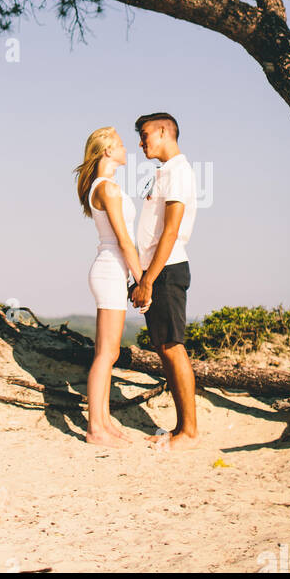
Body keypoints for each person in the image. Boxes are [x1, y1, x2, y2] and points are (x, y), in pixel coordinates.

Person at [129, 112, 199, 449]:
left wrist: (149, 280)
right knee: (163, 347)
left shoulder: (179, 171)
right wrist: (141, 277)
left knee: (173, 346)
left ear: (162, 131)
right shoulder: (164, 173)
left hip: (168, 270)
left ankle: (189, 432)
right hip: (156, 271)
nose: (141, 142)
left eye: (144, 135)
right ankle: (179, 427)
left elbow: (171, 232)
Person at [75, 126, 147, 448]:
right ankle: (95, 429)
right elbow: (124, 241)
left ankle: (103, 421)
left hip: (111, 271)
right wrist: (143, 280)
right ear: (107, 151)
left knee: (108, 351)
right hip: (109, 270)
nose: (125, 149)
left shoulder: (104, 187)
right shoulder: (107, 189)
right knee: (106, 354)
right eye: (119, 145)